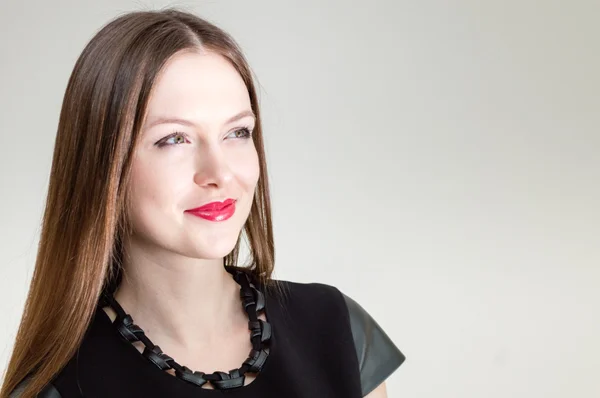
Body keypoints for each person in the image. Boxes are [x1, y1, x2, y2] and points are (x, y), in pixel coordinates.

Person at [1, 8, 405, 398]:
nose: (220, 172)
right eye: (174, 139)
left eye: (237, 132)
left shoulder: (336, 328)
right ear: (103, 166)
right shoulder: (60, 386)